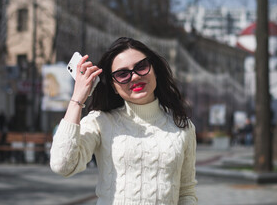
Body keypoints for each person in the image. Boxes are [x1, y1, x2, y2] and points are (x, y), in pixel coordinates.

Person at [50, 37, 198, 204]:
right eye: (122, 74)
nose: (134, 77)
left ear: (154, 69)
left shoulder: (182, 126)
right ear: (114, 86)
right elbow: (62, 165)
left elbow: (186, 192)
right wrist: (77, 98)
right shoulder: (101, 121)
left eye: (141, 67)